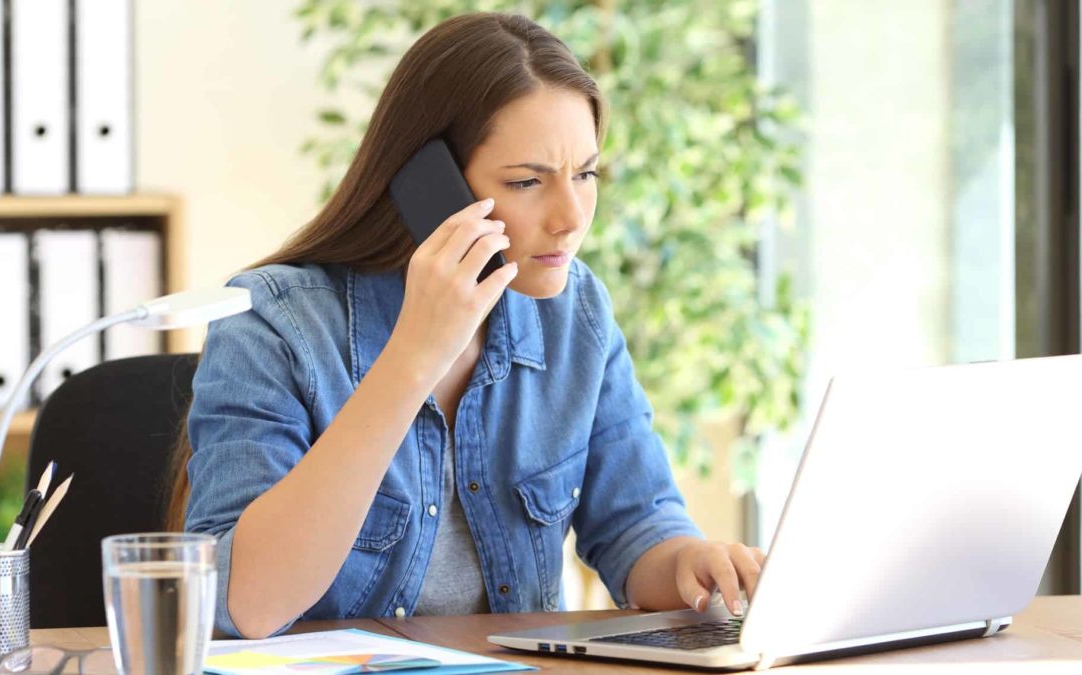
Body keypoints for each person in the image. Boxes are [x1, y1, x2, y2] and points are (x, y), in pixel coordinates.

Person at [169, 12, 766, 640]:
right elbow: (245, 604)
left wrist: (690, 564)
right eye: (526, 181)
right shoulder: (273, 324)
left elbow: (634, 529)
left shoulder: (574, 311)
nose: (570, 218)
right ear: (428, 186)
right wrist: (415, 355)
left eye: (586, 174)